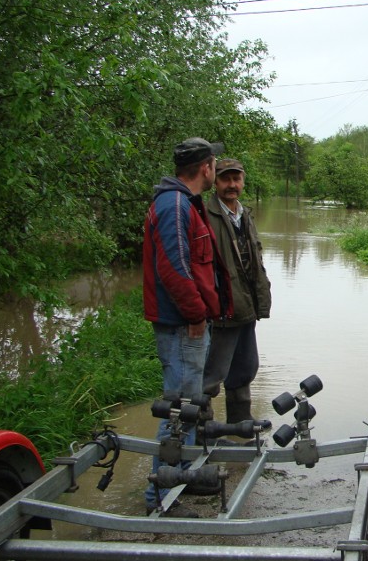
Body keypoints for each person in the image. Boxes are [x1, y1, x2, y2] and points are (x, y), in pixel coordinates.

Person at [142, 137, 231, 516]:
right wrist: (196, 315)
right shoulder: (175, 204)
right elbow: (173, 268)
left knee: (188, 408)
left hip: (186, 325)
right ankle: (159, 499)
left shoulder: (180, 202)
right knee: (178, 412)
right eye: (214, 163)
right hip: (182, 327)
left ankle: (178, 483)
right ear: (206, 166)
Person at [203, 158, 272, 426]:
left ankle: (240, 422)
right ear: (215, 182)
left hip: (247, 305)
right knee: (212, 372)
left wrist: (261, 300)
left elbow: (255, 262)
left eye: (236, 179)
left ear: (243, 181)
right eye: (225, 179)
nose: (232, 185)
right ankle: (201, 428)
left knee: (245, 366)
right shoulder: (204, 214)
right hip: (221, 307)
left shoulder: (245, 214)